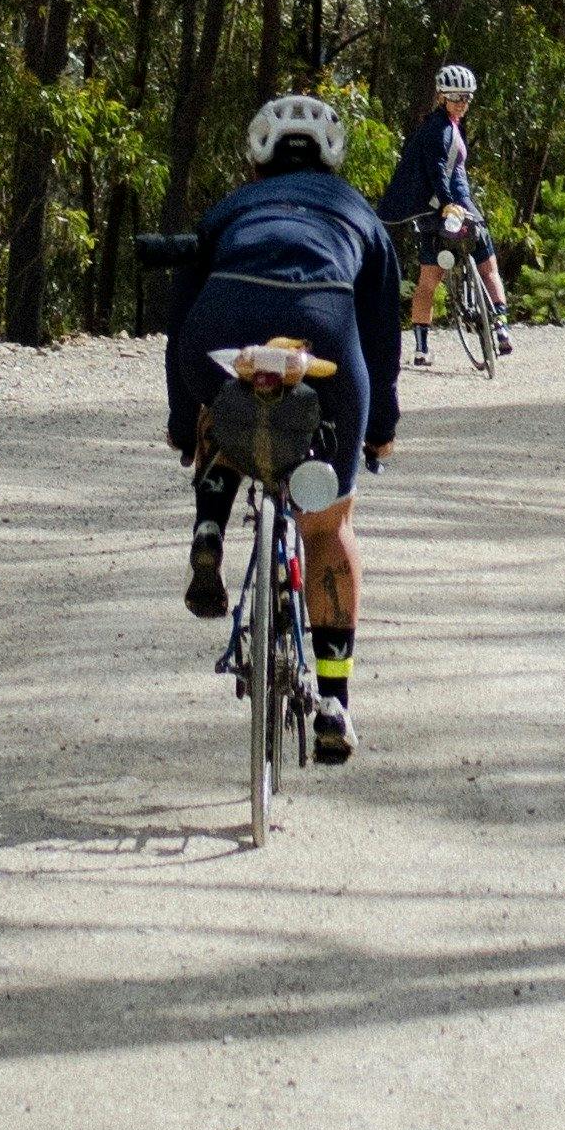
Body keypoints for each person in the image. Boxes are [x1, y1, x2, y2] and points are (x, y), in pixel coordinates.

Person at [166, 91, 398, 763]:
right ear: (333, 158)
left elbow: (180, 319)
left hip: (223, 318)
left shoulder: (230, 208)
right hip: (325, 326)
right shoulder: (359, 214)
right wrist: (379, 425)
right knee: (327, 524)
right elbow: (381, 339)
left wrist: (183, 419)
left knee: (222, 409)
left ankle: (209, 529)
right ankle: (335, 700)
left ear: (257, 158)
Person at [378, 59, 508, 352]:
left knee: (438, 277)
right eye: (456, 97)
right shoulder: (438, 129)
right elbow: (437, 170)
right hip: (448, 209)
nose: (463, 103)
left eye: (467, 98)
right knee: (478, 269)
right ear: (441, 97)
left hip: (447, 209)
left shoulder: (448, 125)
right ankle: (498, 327)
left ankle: (493, 330)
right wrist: (449, 203)